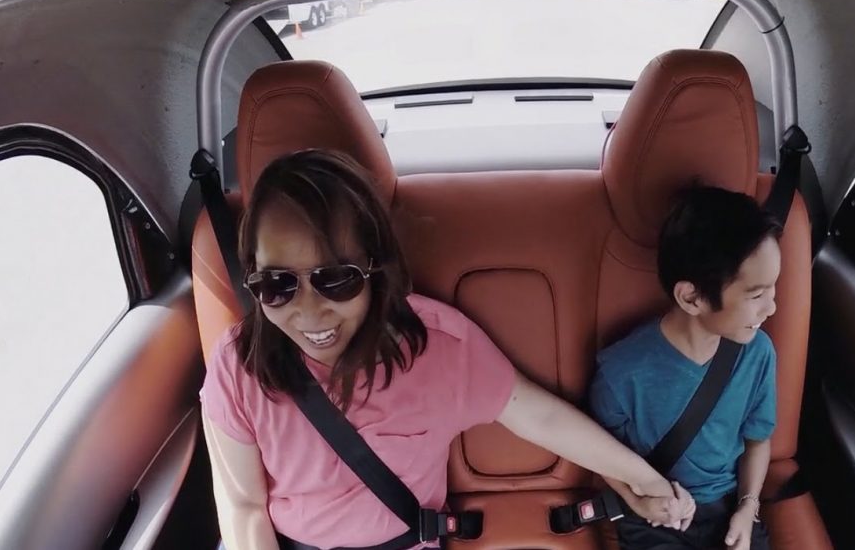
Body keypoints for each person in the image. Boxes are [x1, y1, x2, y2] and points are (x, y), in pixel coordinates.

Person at [199, 149, 691, 550]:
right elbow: (244, 508)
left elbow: (537, 416)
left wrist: (642, 480)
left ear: (374, 269)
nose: (309, 312)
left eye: (336, 280)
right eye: (277, 285)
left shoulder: (434, 346)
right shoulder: (237, 367)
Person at [588, 184, 781, 550]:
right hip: (657, 514)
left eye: (773, 290)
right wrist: (636, 500)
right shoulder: (621, 374)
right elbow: (599, 453)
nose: (771, 308)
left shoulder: (757, 354)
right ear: (691, 297)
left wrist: (748, 507)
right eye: (757, 295)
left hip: (729, 506)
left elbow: (758, 438)